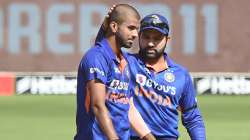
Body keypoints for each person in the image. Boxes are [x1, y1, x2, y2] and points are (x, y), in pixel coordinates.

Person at [74, 4, 155, 140]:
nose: (135, 34)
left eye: (137, 29)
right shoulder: (96, 57)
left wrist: (149, 137)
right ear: (114, 27)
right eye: (131, 28)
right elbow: (98, 106)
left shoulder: (124, 61)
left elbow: (127, 105)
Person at [126, 14, 206, 140]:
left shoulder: (181, 75)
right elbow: (102, 50)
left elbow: (192, 117)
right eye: (146, 37)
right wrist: (105, 27)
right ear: (139, 36)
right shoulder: (125, 63)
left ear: (167, 40)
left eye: (157, 38)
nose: (151, 43)